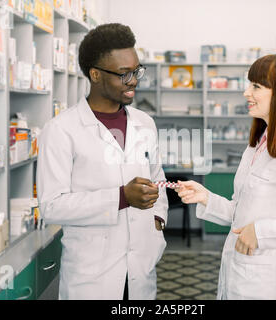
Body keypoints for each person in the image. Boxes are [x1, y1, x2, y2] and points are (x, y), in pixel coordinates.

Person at [176, 53, 276, 300]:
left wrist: (262, 233)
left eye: (256, 86)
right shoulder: (258, 145)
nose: (246, 93)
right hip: (240, 275)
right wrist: (206, 198)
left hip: (267, 284)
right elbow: (242, 215)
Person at [37, 23, 168, 300]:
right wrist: (121, 197)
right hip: (91, 276)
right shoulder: (61, 130)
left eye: (136, 70)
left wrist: (158, 224)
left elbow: (158, 178)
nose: (133, 80)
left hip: (140, 268)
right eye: (124, 74)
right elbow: (52, 206)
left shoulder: (145, 123)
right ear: (95, 74)